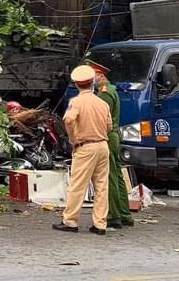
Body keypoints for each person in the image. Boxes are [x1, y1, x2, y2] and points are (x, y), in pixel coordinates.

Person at [53, 64, 112, 235]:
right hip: (102, 146)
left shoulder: (76, 102)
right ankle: (100, 224)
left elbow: (69, 120)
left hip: (85, 147)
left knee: (78, 185)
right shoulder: (102, 103)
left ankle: (70, 221)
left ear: (77, 84)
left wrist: (73, 137)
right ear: (92, 82)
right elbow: (109, 126)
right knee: (102, 186)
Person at [89, 60, 134, 229]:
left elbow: (102, 118)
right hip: (113, 136)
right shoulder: (111, 90)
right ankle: (124, 213)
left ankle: (113, 215)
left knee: (109, 176)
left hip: (107, 135)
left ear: (99, 75)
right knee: (117, 175)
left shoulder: (105, 93)